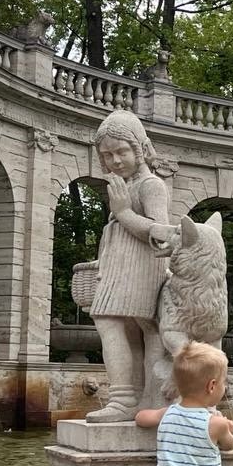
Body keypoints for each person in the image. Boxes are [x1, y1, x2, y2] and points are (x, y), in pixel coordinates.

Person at [87, 110, 172, 422]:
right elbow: (115, 233)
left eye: (121, 151)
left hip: (142, 266)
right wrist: (103, 261)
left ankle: (125, 399)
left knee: (113, 323)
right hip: (119, 265)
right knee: (126, 328)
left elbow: (162, 232)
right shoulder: (124, 185)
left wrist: (122, 212)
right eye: (107, 155)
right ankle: (141, 398)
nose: (115, 161)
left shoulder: (151, 185)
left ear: (140, 149)